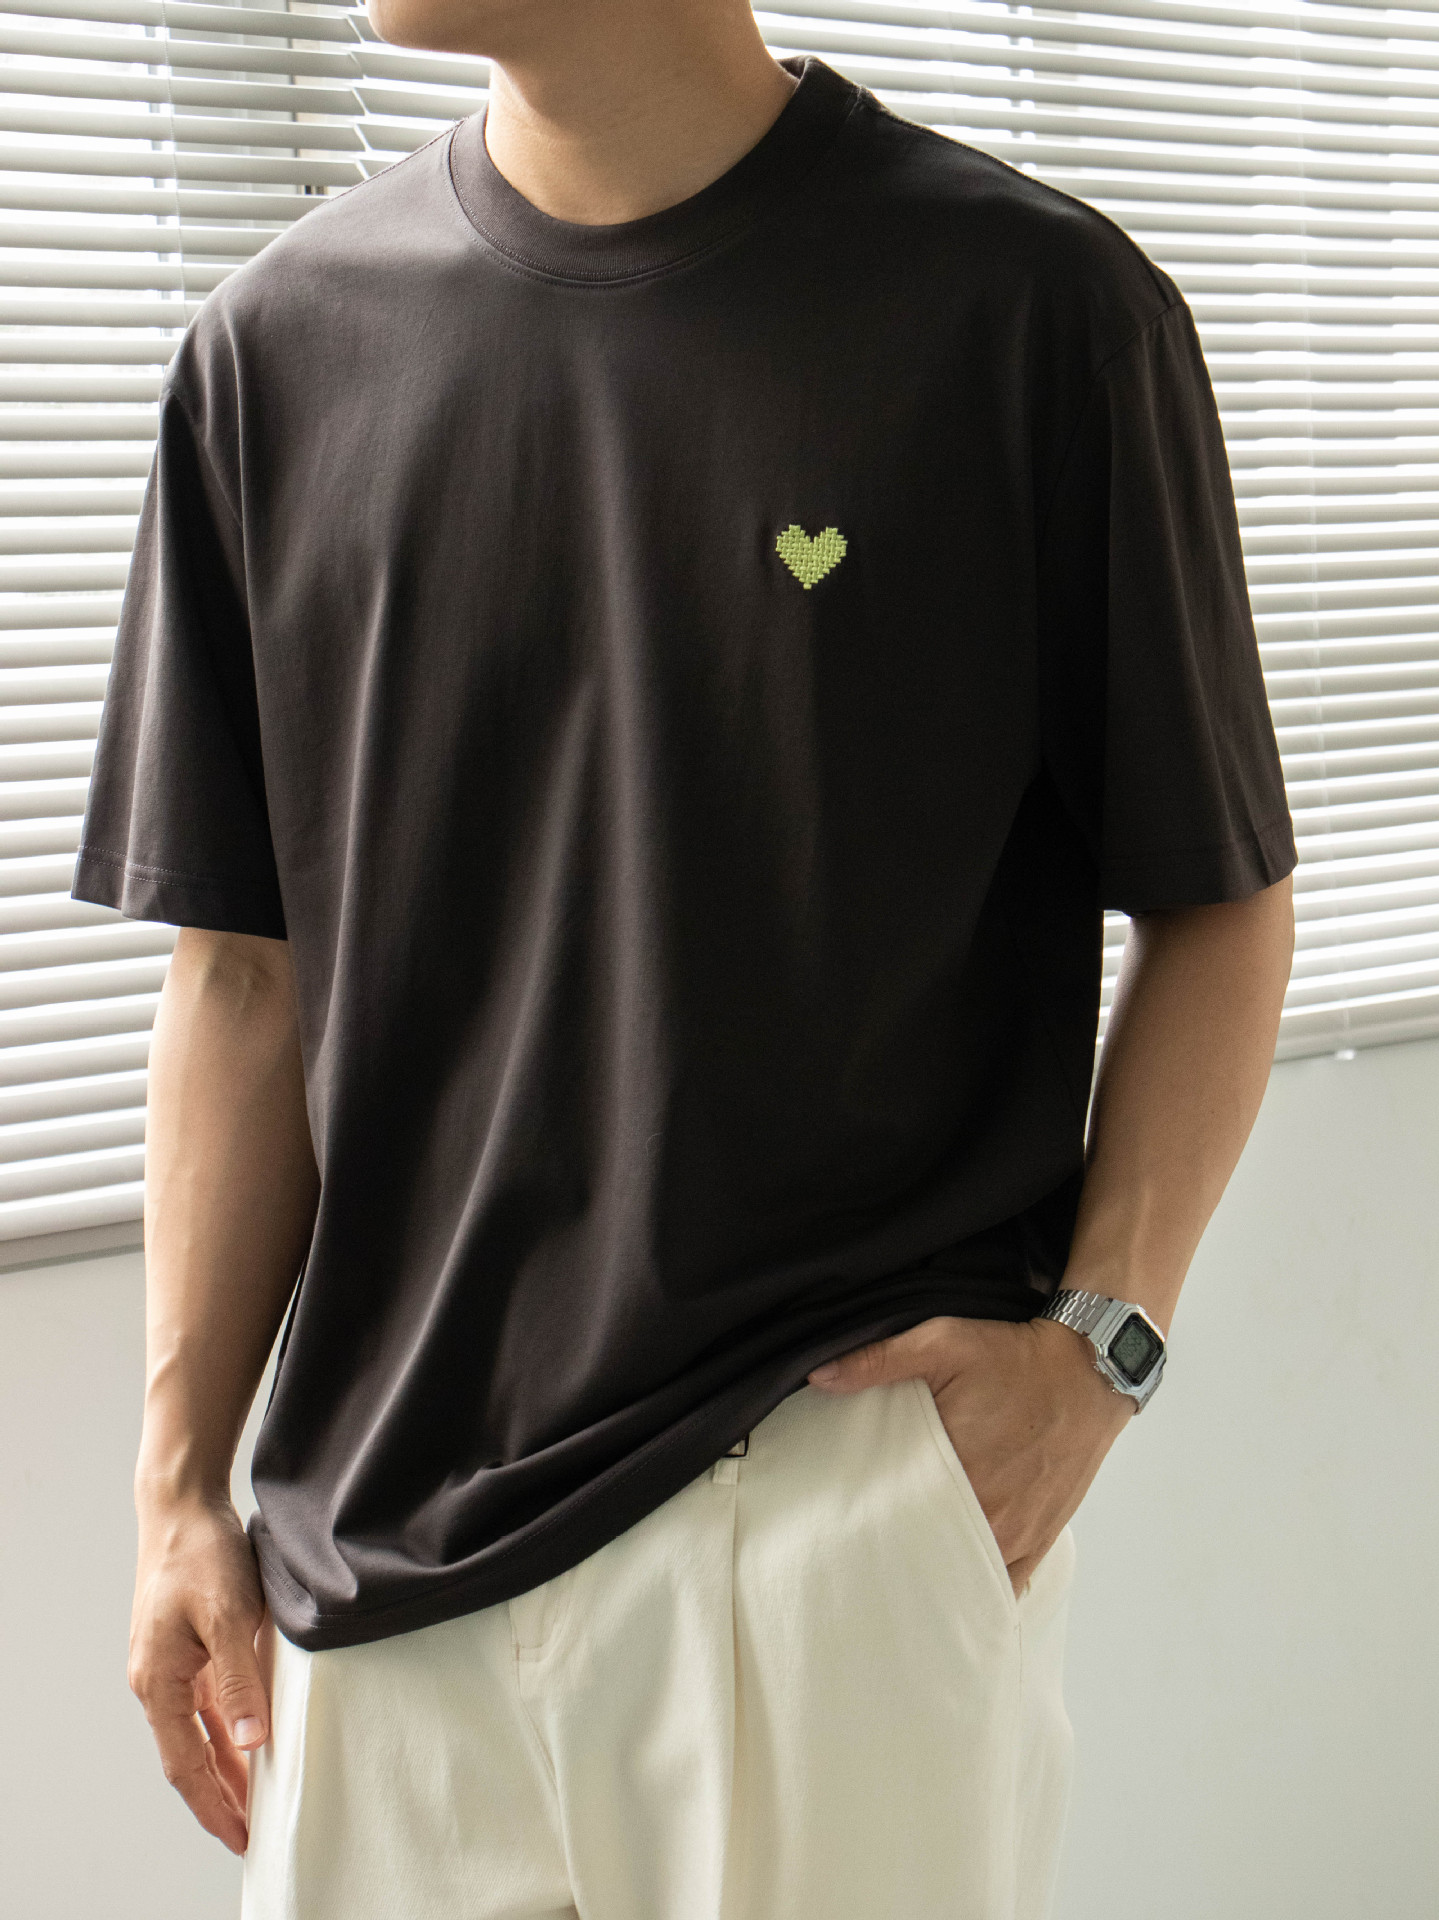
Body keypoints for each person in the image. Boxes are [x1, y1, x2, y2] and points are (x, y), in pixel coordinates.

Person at [74, 0, 1298, 1914]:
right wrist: (174, 1492)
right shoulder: (271, 353)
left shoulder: (1034, 314)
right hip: (371, 1587)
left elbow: (1219, 899)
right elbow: (240, 977)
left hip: (817, 1517)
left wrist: (1100, 1350)